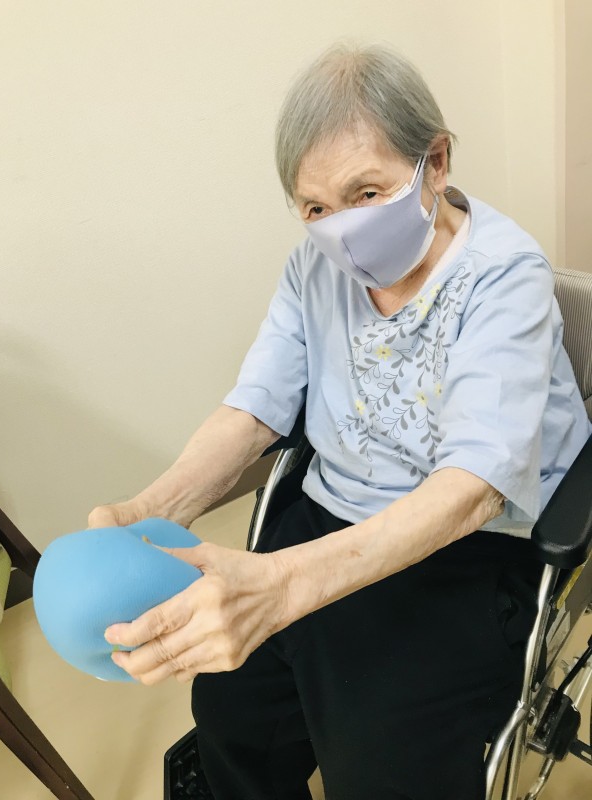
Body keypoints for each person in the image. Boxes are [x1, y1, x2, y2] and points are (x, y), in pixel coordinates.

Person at [88, 43, 591, 800]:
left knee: (380, 765)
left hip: (467, 549)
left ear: (435, 163)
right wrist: (147, 510)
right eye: (317, 208)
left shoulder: (503, 278)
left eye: (366, 193)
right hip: (329, 514)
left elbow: (474, 487)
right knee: (229, 712)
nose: (341, 231)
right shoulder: (311, 269)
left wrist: (281, 586)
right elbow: (254, 408)